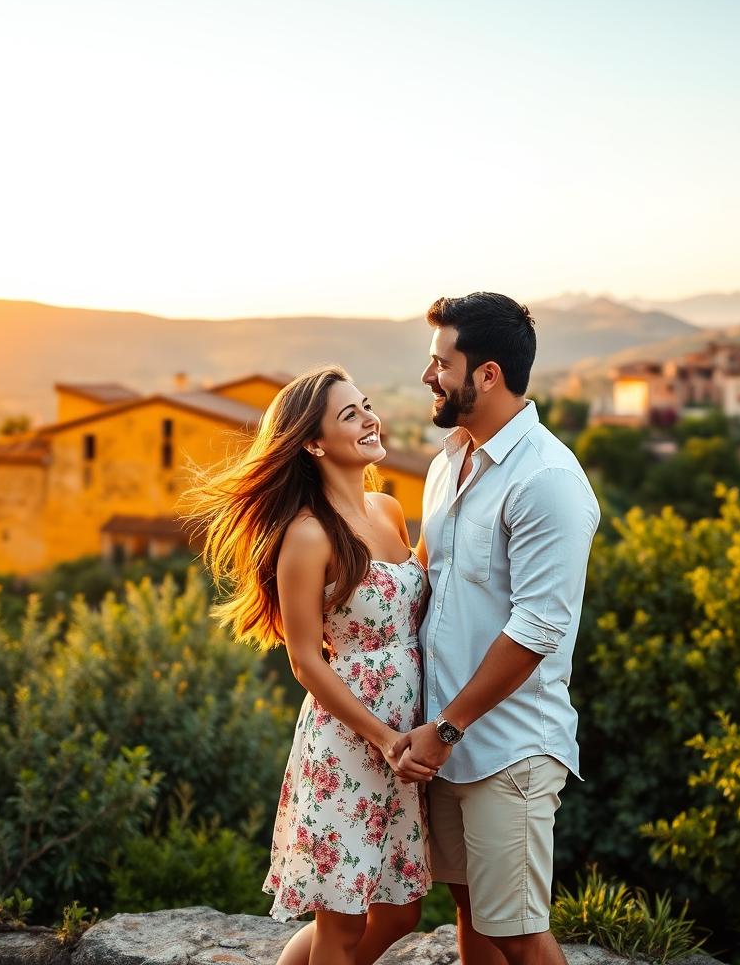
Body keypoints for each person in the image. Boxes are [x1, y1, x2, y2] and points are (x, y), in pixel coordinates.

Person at [183, 366, 434, 965]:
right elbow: (303, 660)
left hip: (404, 742)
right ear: (314, 443)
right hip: (350, 744)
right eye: (350, 414)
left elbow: (418, 588)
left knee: (401, 911)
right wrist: (383, 737)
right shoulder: (307, 535)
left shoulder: (388, 510)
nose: (370, 418)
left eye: (367, 405)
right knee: (341, 924)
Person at [392, 292, 601, 965]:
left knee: (516, 927)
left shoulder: (546, 478)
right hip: (446, 740)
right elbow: (426, 579)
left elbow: (537, 630)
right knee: (471, 911)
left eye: (440, 362)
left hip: (507, 745)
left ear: (486, 374)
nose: (429, 376)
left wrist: (448, 725)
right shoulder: (448, 461)